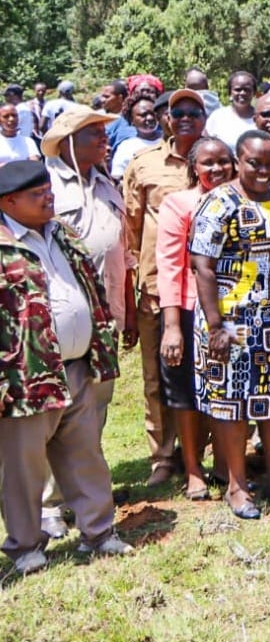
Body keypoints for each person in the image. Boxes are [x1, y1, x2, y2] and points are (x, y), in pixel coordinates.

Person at [0, 160, 133, 574]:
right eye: (37, 194)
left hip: (76, 366)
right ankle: (25, 546)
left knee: (85, 453)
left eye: (47, 190)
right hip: (24, 377)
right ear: (8, 202)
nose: (48, 198)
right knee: (23, 466)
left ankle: (98, 532)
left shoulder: (62, 231)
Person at [190, 130, 270, 518]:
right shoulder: (218, 203)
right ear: (238, 162)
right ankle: (237, 486)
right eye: (254, 163)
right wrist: (215, 327)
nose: (263, 171)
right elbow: (203, 266)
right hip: (231, 322)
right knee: (232, 403)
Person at [39, 104, 137, 537]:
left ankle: (84, 496)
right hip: (64, 324)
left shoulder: (106, 182)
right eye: (93, 133)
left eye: (103, 132)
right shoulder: (46, 188)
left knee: (94, 409)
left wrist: (127, 309)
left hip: (105, 320)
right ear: (67, 144)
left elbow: (122, 252)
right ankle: (48, 505)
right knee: (54, 413)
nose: (104, 139)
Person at [123, 88, 208, 486]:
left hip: (208, 289)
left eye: (194, 111)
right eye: (179, 112)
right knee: (157, 375)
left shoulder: (216, 157)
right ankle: (162, 456)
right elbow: (132, 227)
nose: (186, 117)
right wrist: (135, 282)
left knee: (205, 372)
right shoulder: (145, 164)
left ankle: (202, 451)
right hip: (158, 286)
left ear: (204, 118)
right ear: (166, 119)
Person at [155, 138, 235, 501]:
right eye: (208, 163)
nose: (217, 169)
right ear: (194, 168)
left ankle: (225, 464)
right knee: (186, 392)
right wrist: (172, 326)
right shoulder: (179, 204)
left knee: (227, 388)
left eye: (223, 161)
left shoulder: (244, 201)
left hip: (232, 309)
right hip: (189, 310)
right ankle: (192, 469)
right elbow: (170, 267)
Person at [110, 97, 162, 181]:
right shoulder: (126, 147)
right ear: (132, 120)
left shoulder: (171, 139)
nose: (150, 118)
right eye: (143, 115)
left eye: (153, 113)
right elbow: (118, 177)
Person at [206, 71, 259, 149]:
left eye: (247, 89)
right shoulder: (218, 117)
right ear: (230, 93)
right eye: (238, 89)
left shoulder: (261, 117)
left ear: (254, 93)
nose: (242, 93)